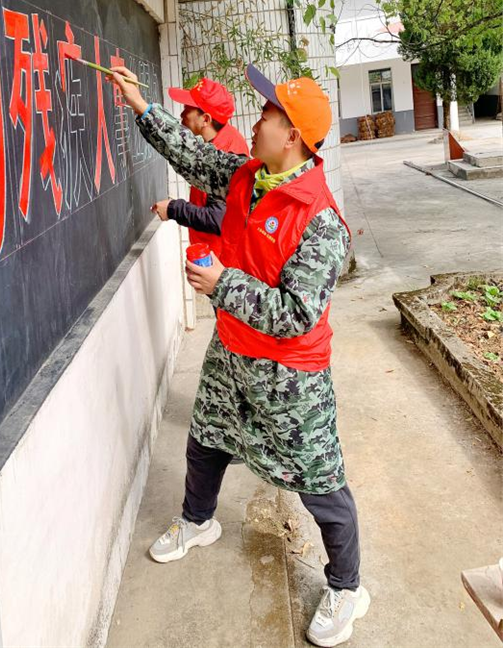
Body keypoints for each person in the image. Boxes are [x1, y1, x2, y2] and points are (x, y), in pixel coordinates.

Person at [110, 63, 370, 648]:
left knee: (318, 482)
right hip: (231, 350)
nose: (256, 121)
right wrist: (140, 104)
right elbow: (193, 155)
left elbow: (295, 312)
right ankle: (198, 521)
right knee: (206, 438)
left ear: (293, 136)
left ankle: (346, 586)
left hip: (290, 375)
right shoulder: (247, 174)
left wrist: (223, 284)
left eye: (268, 113)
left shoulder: (321, 222)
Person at [151, 78, 249, 258]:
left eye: (188, 109)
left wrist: (173, 209)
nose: (182, 113)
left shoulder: (228, 153)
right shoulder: (222, 140)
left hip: (216, 257)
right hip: (208, 249)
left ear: (205, 119)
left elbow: (218, 218)